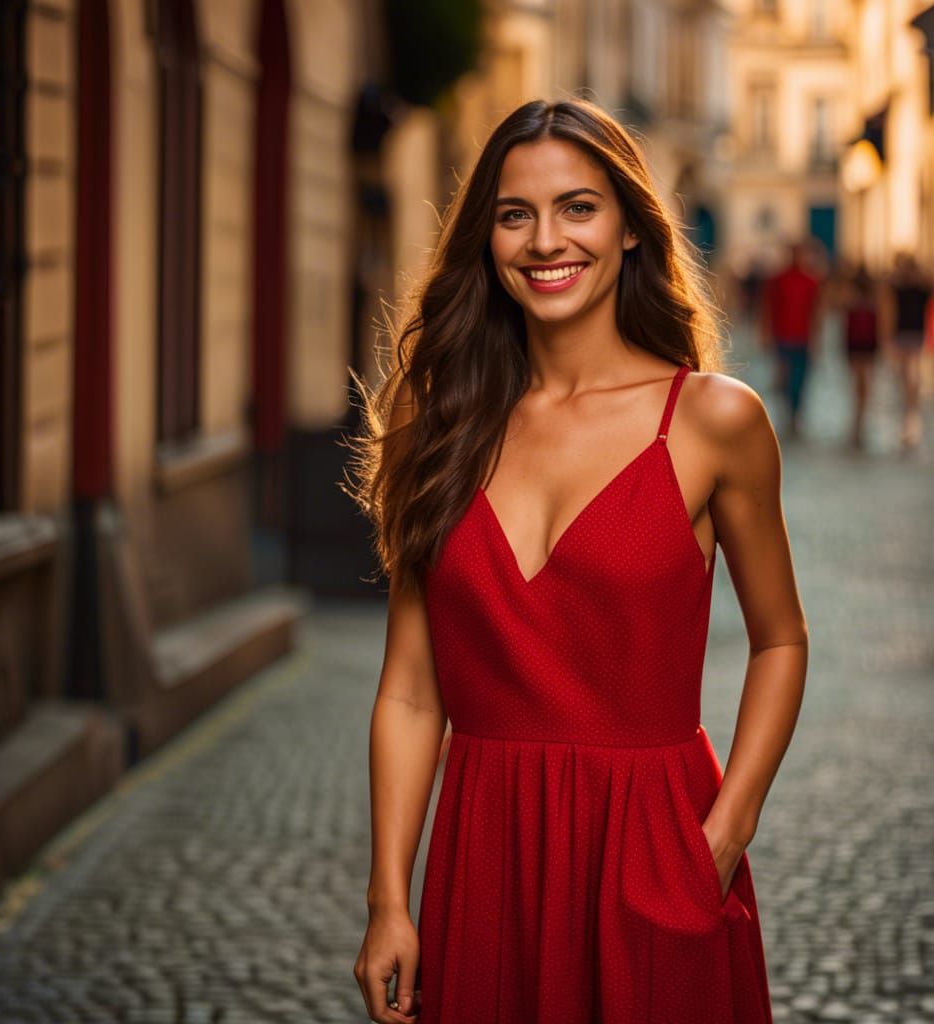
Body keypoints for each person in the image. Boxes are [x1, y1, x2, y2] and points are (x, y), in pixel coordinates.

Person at [347, 98, 808, 1024]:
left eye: (579, 208)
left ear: (632, 227)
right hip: (484, 865)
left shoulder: (715, 421)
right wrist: (389, 899)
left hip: (656, 852)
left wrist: (725, 832)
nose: (545, 240)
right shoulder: (436, 424)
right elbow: (409, 689)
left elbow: (781, 642)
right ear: (486, 238)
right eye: (514, 214)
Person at [759, 241, 823, 438]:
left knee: (800, 380)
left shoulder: (811, 281)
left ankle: (796, 416)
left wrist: (816, 338)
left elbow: (816, 312)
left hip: (802, 337)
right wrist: (765, 333)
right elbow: (769, 307)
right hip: (783, 337)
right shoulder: (777, 280)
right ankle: (787, 415)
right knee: (785, 378)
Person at [881, 252, 932, 451]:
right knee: (904, 374)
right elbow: (889, 310)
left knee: (911, 373)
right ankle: (909, 408)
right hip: (902, 335)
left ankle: (911, 410)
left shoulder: (921, 287)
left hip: (914, 335)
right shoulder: (896, 288)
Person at [841, 265, 880, 450]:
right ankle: (859, 417)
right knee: (862, 382)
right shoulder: (874, 300)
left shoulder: (851, 299)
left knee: (860, 382)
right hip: (864, 344)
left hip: (857, 344)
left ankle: (859, 418)